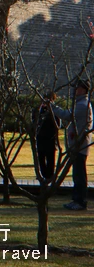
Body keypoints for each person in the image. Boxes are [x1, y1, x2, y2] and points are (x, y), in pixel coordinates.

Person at [52, 79, 93, 210]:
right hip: (77, 145)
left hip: (80, 146)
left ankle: (80, 201)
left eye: (78, 88)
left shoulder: (83, 105)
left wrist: (52, 107)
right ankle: (76, 199)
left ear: (84, 90)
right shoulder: (80, 103)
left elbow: (67, 115)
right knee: (77, 174)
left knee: (79, 175)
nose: (75, 90)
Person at [32, 91, 59, 180]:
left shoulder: (54, 111)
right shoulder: (38, 110)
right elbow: (34, 121)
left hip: (50, 138)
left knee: (50, 159)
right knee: (41, 158)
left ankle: (50, 177)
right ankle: (42, 175)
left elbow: (58, 125)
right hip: (40, 137)